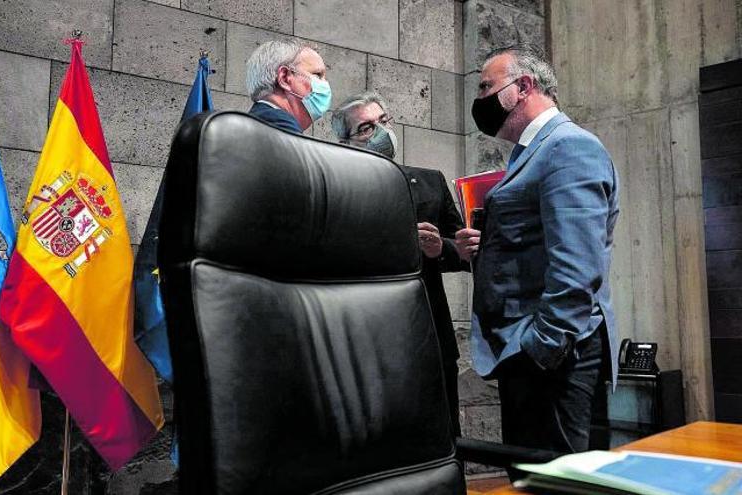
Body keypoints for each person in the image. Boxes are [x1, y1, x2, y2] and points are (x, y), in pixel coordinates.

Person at [455, 44, 619, 471]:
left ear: (523, 86)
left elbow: (577, 267)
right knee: (529, 480)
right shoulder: (528, 153)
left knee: (553, 482)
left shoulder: (568, 147)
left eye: (488, 86)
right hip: (532, 352)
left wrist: (540, 349)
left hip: (553, 356)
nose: (481, 98)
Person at [332, 91, 468, 440]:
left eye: (383, 121)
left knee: (442, 436)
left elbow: (467, 251)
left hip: (429, 333)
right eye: (366, 128)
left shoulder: (430, 181)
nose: (380, 132)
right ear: (345, 141)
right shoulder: (335, 188)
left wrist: (440, 249)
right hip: (366, 338)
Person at [245, 40, 331, 134]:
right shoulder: (278, 125)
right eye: (317, 75)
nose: (325, 83)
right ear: (285, 78)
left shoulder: (258, 121)